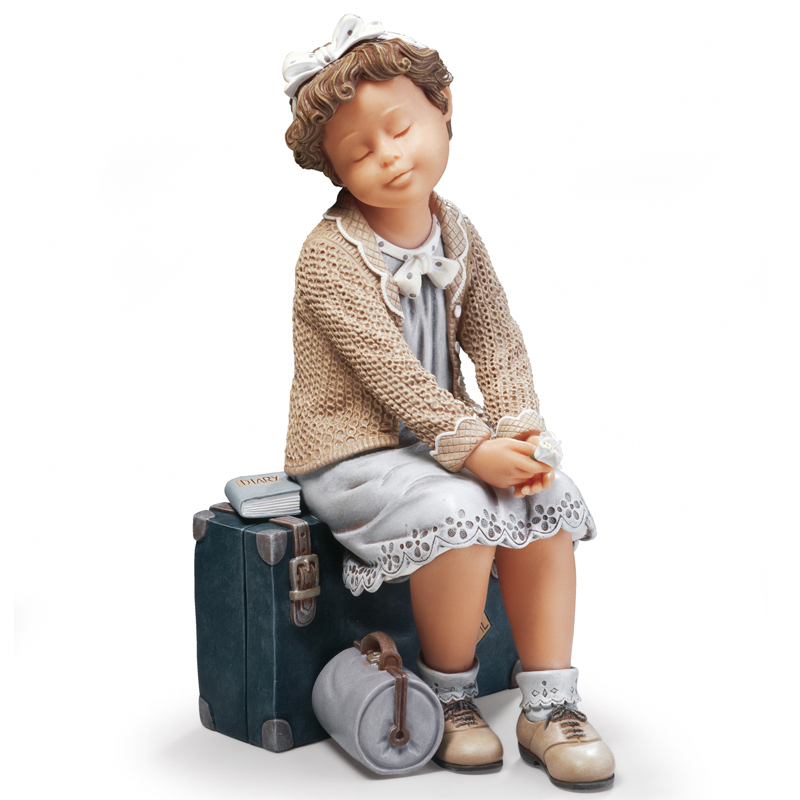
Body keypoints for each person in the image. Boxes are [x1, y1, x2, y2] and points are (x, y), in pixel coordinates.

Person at [281, 14, 615, 789]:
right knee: (456, 512)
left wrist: (518, 432)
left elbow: (496, 338)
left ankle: (548, 703)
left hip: (448, 441)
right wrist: (472, 449)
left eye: (400, 128)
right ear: (334, 171)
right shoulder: (329, 256)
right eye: (358, 152)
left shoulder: (455, 231)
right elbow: (390, 374)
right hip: (357, 454)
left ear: (443, 109)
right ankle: (451, 694)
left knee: (544, 496)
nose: (388, 155)